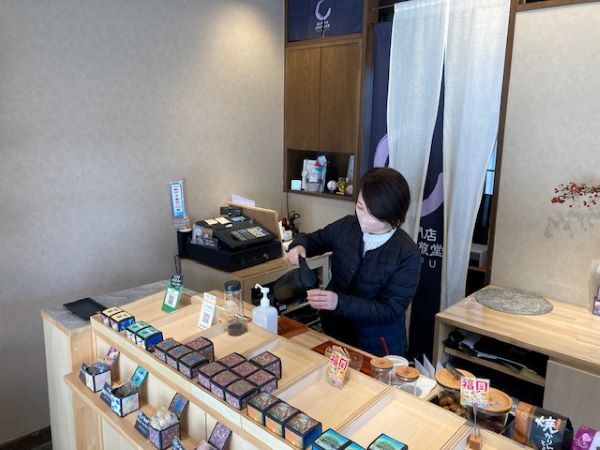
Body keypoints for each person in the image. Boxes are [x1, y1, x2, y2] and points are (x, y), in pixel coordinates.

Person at [286, 167, 421, 356]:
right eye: (360, 207)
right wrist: (300, 246)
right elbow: (315, 240)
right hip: (336, 331)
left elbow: (389, 310)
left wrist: (338, 302)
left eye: (372, 214)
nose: (363, 218)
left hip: (378, 343)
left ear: (392, 214)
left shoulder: (406, 253)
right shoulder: (347, 226)